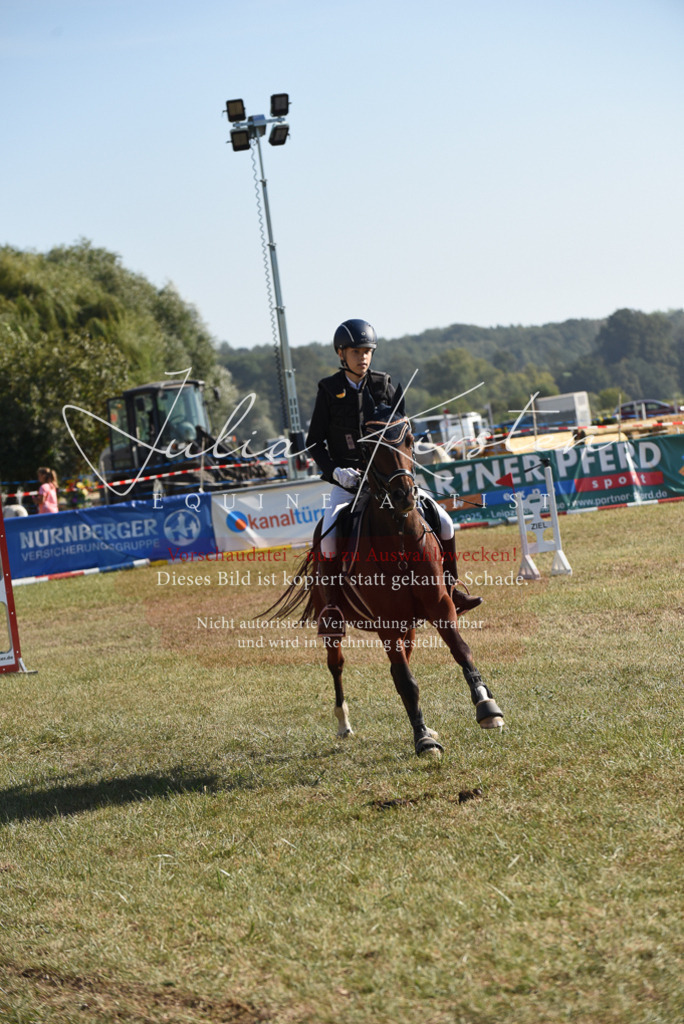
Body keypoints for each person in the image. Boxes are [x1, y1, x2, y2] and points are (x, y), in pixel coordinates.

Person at [306, 318, 481, 635]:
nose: (363, 357)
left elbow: (403, 431)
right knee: (329, 536)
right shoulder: (329, 390)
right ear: (341, 354)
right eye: (357, 351)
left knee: (444, 521)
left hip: (389, 480)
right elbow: (314, 442)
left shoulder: (384, 384)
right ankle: (332, 607)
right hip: (349, 482)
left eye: (368, 351)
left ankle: (452, 588)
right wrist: (336, 472)